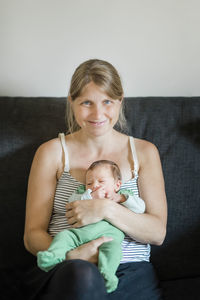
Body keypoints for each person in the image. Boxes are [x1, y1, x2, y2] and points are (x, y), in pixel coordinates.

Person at [23, 58, 167, 300]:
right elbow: (32, 235)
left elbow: (156, 233)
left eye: (107, 101)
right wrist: (73, 254)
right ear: (72, 102)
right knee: (83, 277)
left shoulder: (144, 153)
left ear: (120, 101)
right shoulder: (51, 153)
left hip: (129, 269)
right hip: (70, 265)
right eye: (87, 102)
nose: (98, 114)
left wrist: (105, 208)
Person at [37, 159, 145, 293]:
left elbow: (141, 208)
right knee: (63, 236)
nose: (94, 185)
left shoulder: (124, 195)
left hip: (109, 238)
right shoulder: (83, 191)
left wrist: (121, 198)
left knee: (114, 251)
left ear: (117, 185)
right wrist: (90, 196)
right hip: (79, 235)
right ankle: (53, 257)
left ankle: (107, 274)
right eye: (89, 183)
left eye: (101, 181)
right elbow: (72, 203)